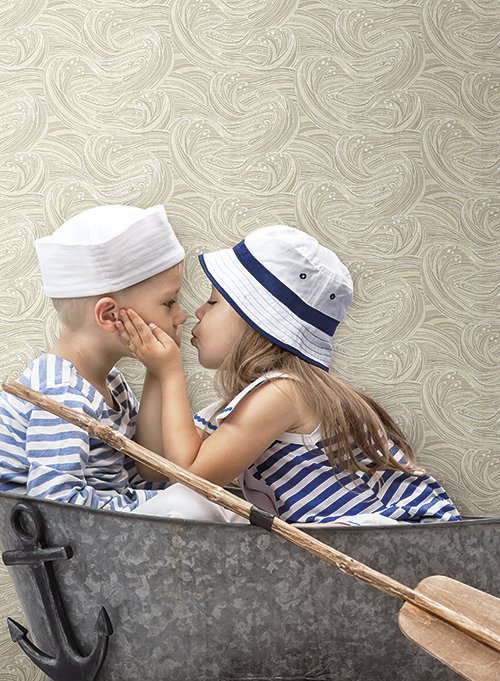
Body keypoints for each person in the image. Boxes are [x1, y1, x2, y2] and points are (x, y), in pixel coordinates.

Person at [116, 225, 462, 526]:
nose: (197, 311)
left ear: (257, 320)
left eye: (214, 302)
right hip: (349, 543)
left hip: (402, 534)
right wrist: (154, 371)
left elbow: (189, 476)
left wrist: (170, 372)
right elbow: (154, 468)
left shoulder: (284, 394)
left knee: (187, 502)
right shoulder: (245, 406)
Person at [0, 204, 186, 512]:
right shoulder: (63, 394)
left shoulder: (113, 385)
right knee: (191, 505)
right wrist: (170, 503)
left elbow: (149, 471)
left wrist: (158, 370)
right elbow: (58, 508)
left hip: (97, 532)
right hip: (60, 539)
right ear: (110, 315)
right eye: (169, 302)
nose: (181, 315)